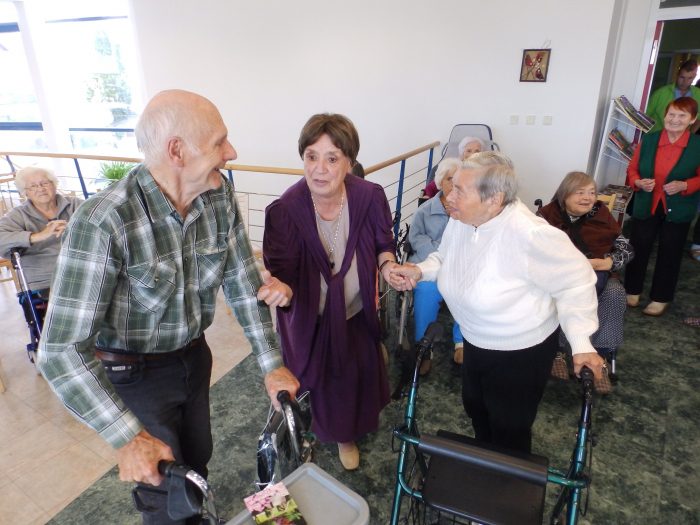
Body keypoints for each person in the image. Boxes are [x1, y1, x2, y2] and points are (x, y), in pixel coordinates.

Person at [37, 89, 299, 524]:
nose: (231, 153)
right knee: (162, 485)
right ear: (177, 150)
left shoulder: (218, 196)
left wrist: (272, 364)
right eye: (219, 142)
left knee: (197, 457)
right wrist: (127, 437)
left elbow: (242, 283)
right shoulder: (105, 220)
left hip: (193, 357)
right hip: (135, 372)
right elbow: (60, 350)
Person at [390, 151, 605, 454]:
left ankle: (510, 475)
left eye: (460, 190)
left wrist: (582, 343)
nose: (449, 196)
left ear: (494, 199)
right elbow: (445, 257)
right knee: (476, 408)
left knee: (509, 427)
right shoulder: (464, 218)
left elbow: (576, 283)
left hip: (519, 351)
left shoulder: (531, 235)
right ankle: (487, 462)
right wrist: (419, 270)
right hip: (475, 338)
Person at [263, 113, 396, 470]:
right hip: (312, 318)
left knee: (355, 375)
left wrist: (388, 265)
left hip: (356, 310)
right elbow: (282, 271)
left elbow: (384, 242)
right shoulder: (285, 211)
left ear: (349, 162)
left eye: (332, 158)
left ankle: (347, 432)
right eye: (311, 156)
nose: (319, 169)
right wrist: (281, 289)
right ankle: (333, 432)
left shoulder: (369, 197)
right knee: (322, 383)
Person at [538, 171, 633, 381]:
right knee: (555, 293)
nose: (587, 198)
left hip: (599, 274)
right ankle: (557, 351)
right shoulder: (546, 215)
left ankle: (601, 354)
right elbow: (534, 250)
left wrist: (609, 262)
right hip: (559, 276)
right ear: (565, 194)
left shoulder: (601, 214)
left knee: (615, 294)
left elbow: (627, 249)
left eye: (591, 192)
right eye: (580, 192)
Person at [624, 97, 700, 317]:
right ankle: (632, 290)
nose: (675, 119)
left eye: (682, 115)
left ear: (692, 119)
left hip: (679, 206)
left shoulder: (697, 145)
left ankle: (660, 297)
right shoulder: (650, 140)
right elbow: (632, 169)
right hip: (648, 202)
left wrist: (685, 185)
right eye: (671, 114)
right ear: (665, 116)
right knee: (638, 246)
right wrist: (638, 182)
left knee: (671, 251)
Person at [408, 157, 464, 369]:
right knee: (426, 290)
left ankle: (461, 343)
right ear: (440, 181)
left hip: (458, 266)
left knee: (466, 288)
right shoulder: (425, 210)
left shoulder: (467, 209)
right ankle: (424, 348)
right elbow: (416, 238)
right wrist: (439, 253)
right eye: (450, 179)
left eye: (458, 180)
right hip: (429, 262)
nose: (454, 185)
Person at [0, 166, 83, 292]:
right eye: (33, 186)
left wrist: (76, 227)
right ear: (25, 192)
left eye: (45, 183)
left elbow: (104, 225)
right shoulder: (18, 215)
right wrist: (38, 236)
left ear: (54, 185)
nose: (40, 189)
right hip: (43, 281)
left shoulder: (76, 205)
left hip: (83, 273)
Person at [646, 59, 700, 134]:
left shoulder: (698, 94)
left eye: (690, 78)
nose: (685, 82)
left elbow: (698, 119)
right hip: (657, 136)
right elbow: (645, 115)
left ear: (695, 77)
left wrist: (689, 136)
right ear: (677, 75)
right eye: (682, 77)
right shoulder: (660, 93)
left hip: (683, 138)